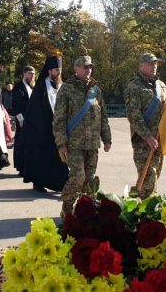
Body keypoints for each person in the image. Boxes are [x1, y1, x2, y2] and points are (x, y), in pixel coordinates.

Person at [53, 55, 111, 219]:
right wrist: (61, 143)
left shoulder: (96, 90)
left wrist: (106, 138)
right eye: (85, 67)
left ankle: (85, 212)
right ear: (76, 69)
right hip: (74, 144)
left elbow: (103, 116)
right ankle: (67, 208)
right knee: (78, 177)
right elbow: (59, 118)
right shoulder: (66, 89)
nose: (88, 70)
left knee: (89, 181)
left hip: (92, 144)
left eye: (90, 67)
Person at [124, 53, 166, 199]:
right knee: (149, 178)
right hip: (143, 142)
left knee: (155, 176)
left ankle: (146, 211)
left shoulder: (161, 86)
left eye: (155, 63)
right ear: (141, 66)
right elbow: (133, 115)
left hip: (159, 140)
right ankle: (147, 215)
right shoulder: (134, 86)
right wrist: (148, 136)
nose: (154, 66)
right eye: (150, 63)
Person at [23, 56, 68, 193]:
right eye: (56, 70)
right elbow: (34, 110)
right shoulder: (42, 87)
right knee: (42, 158)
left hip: (59, 130)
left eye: (60, 69)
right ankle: (39, 183)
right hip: (43, 131)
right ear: (49, 71)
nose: (59, 72)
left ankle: (60, 184)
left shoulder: (63, 86)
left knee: (60, 158)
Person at [12, 66, 35, 177]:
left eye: (33, 74)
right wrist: (21, 119)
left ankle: (28, 166)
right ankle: (21, 167)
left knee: (30, 144)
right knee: (21, 144)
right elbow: (15, 106)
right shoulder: (18, 87)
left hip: (32, 120)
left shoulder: (33, 87)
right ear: (24, 74)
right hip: (22, 120)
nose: (32, 76)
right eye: (30, 73)